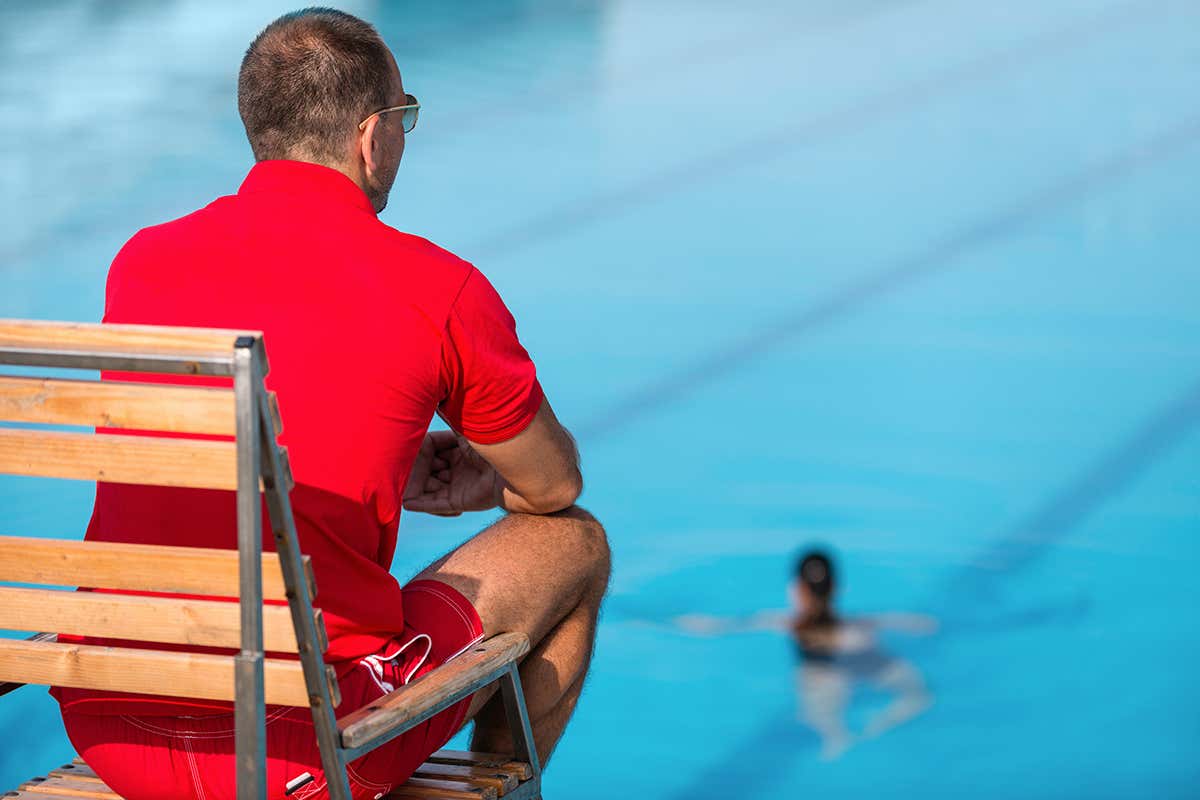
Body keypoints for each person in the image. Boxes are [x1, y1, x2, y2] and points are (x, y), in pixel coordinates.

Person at [50, 9, 609, 800]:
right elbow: (553, 487)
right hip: (295, 753)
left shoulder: (140, 263)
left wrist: (378, 469)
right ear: (373, 134)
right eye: (406, 117)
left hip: (110, 724)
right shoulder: (437, 288)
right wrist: (493, 482)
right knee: (574, 545)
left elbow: (219, 462)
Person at [675, 549, 933, 760]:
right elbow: (905, 622)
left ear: (796, 590)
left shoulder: (787, 624)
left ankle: (838, 740)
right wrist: (917, 623)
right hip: (861, 653)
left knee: (827, 725)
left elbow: (725, 626)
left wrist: (693, 623)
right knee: (918, 697)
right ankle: (878, 727)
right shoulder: (858, 624)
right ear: (836, 587)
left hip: (822, 672)